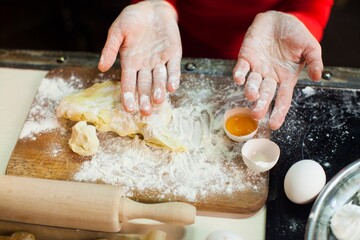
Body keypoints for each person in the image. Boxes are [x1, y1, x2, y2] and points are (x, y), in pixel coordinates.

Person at [97, 0, 333, 130]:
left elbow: (311, 6)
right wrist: (156, 4)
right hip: (168, 42)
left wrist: (299, 20)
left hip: (271, 52)